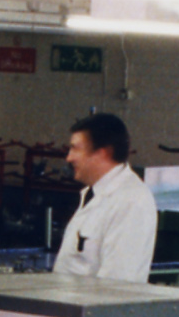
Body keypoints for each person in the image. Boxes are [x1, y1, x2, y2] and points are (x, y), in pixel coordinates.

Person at [53, 111, 159, 283]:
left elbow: (117, 284)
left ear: (103, 153)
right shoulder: (92, 193)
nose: (69, 157)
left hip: (96, 300)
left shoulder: (131, 201)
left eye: (76, 149)